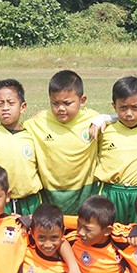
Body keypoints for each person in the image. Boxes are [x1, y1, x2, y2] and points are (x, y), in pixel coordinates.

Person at [23, 70, 100, 214]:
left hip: (84, 194)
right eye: (55, 103)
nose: (61, 109)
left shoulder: (93, 120)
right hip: (50, 196)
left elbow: (122, 119)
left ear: (82, 100)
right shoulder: (38, 122)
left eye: (67, 103)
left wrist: (102, 120)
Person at [93, 76, 137, 224]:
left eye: (135, 108)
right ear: (114, 106)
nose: (129, 113)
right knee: (107, 233)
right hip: (110, 191)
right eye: (123, 107)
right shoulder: (104, 128)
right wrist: (100, 119)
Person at [0, 79, 43, 215]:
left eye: (11, 103)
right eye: (0, 104)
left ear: (23, 107)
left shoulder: (32, 132)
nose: (5, 108)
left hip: (30, 201)